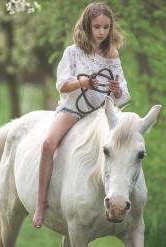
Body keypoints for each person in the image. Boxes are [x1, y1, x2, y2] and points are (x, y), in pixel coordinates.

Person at [33, 2, 131, 228]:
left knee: (124, 147)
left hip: (99, 115)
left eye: (106, 27)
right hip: (73, 110)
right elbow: (62, 85)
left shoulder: (112, 55)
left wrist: (116, 89)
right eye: (97, 27)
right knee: (48, 144)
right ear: (87, 26)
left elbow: (123, 94)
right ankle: (41, 202)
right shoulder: (73, 52)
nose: (102, 32)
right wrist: (83, 82)